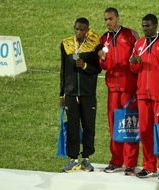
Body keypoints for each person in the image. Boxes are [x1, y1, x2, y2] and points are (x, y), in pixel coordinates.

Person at [130, 13, 159, 180]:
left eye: (147, 26)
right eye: (143, 26)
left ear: (155, 25)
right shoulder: (139, 44)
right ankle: (149, 166)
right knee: (144, 131)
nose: (144, 28)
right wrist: (134, 64)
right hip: (143, 95)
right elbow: (134, 70)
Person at [97, 7, 139, 175]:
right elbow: (104, 66)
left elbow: (138, 61)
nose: (108, 22)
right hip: (113, 89)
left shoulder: (130, 35)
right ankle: (116, 161)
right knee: (114, 125)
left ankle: (130, 164)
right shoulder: (103, 39)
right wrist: (102, 59)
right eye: (106, 19)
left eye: (111, 19)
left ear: (117, 18)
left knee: (129, 125)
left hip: (129, 88)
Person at [60, 17, 102, 172]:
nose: (79, 32)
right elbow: (63, 70)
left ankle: (86, 158)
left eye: (82, 30)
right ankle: (73, 159)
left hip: (88, 93)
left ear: (87, 30)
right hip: (71, 94)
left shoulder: (93, 45)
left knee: (88, 126)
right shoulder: (66, 44)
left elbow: (98, 69)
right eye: (76, 29)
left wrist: (85, 66)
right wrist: (61, 94)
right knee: (72, 127)